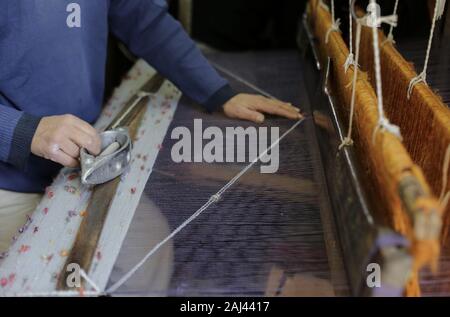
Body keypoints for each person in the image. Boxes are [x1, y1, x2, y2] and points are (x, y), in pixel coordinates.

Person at [0, 1, 301, 255]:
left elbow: (142, 17)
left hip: (80, 163)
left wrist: (218, 94)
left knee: (147, 254)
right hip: (7, 184)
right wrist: (24, 131)